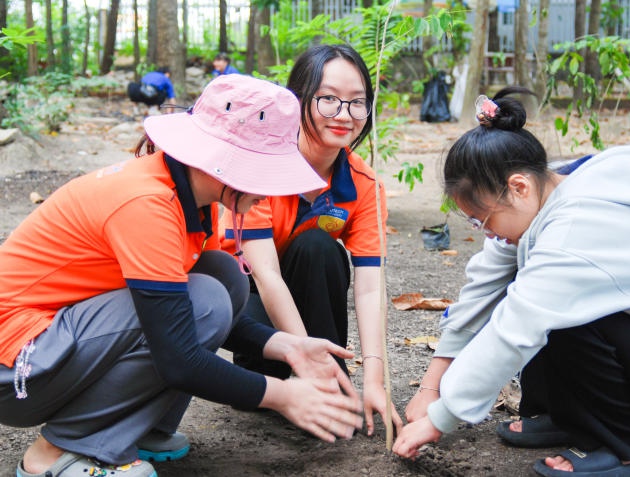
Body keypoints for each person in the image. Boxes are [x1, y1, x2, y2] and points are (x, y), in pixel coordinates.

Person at [0, 74, 363, 477]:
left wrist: (287, 347)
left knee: (222, 276)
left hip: (59, 344)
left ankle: (134, 428)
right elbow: (179, 355)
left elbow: (196, 317)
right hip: (18, 368)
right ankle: (56, 454)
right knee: (204, 298)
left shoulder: (193, 194)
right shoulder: (148, 204)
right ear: (229, 162)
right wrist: (283, 395)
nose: (272, 192)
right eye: (266, 173)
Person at [392, 87, 630, 477]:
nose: (486, 234)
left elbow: (516, 327)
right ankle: (567, 416)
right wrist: (431, 388)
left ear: (519, 187)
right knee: (537, 292)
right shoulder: (547, 191)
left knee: (548, 306)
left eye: (483, 221)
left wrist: (440, 417)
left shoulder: (574, 232)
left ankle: (627, 448)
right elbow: (481, 291)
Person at [220, 44, 403, 436]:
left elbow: (371, 288)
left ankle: (329, 386)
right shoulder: (262, 164)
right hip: (247, 295)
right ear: (298, 100)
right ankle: (310, 381)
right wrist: (309, 363)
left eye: (357, 103)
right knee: (252, 388)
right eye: (329, 100)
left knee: (320, 247)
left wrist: (374, 378)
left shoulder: (363, 184)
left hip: (303, 293)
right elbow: (265, 275)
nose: (344, 115)